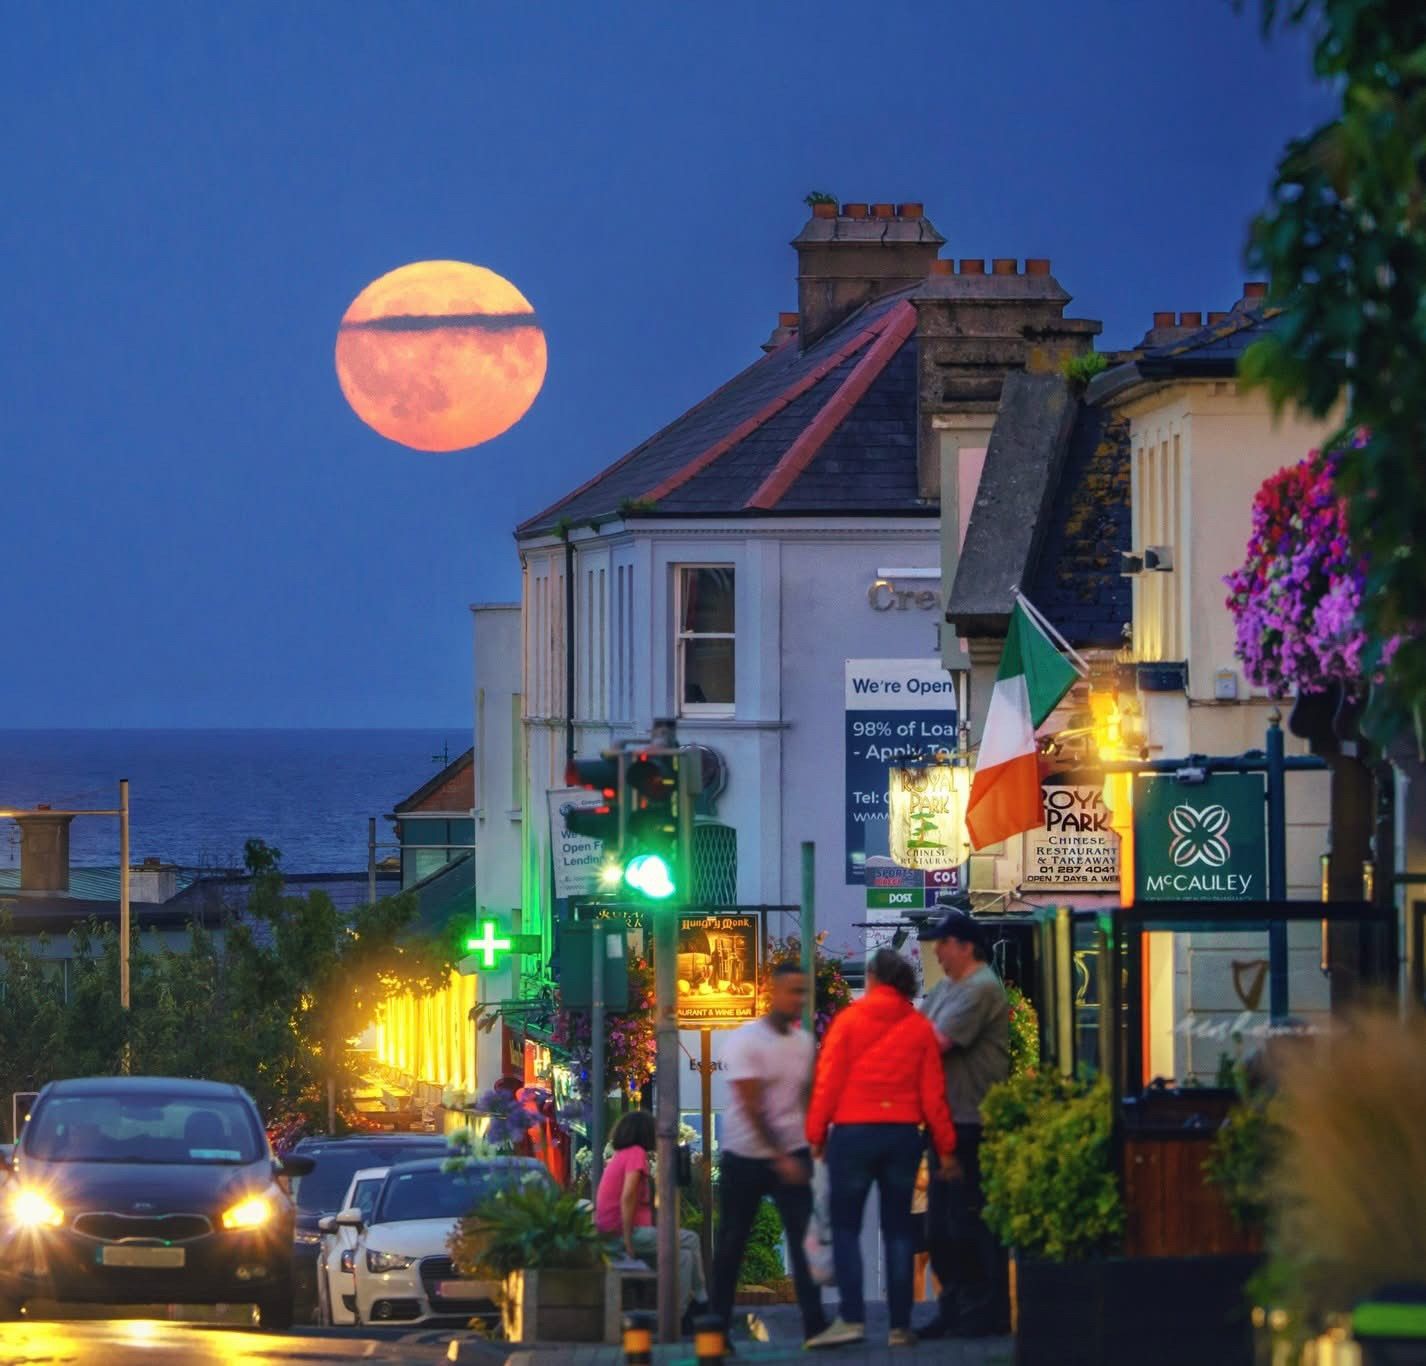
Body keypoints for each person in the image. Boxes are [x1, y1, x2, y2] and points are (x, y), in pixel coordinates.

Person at [804, 948, 958, 1351]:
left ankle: (852, 1318)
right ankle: (900, 1326)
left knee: (846, 1227)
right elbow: (933, 1096)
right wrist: (946, 1148)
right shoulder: (918, 1028)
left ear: (872, 979)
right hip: (902, 1136)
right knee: (899, 1231)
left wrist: (816, 1133)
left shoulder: (848, 1022)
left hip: (853, 1134)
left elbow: (827, 1081)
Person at [710, 962, 828, 1346]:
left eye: (803, 992)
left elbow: (808, 1096)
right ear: (772, 992)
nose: (798, 1000)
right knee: (732, 1242)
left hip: (793, 1153)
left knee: (801, 1239)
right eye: (793, 991)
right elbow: (750, 1104)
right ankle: (716, 1327)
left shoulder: (804, 1043)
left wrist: (813, 1140)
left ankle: (815, 1325)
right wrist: (781, 1157)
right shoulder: (747, 1041)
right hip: (745, 1156)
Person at [916, 908, 1010, 1340]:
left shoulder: (981, 987)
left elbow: (933, 1042)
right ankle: (954, 1306)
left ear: (966, 946)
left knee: (969, 1219)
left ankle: (982, 1311)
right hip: (946, 1119)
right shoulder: (945, 989)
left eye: (944, 942)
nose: (937, 950)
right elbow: (917, 1032)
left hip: (972, 1119)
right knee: (942, 1224)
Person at [593, 1109, 709, 1328]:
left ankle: (678, 1315)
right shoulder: (636, 1153)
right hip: (623, 1233)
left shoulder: (623, 1155)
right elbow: (628, 1197)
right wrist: (627, 1240)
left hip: (615, 1233)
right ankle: (703, 1300)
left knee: (683, 1257)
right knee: (691, 1239)